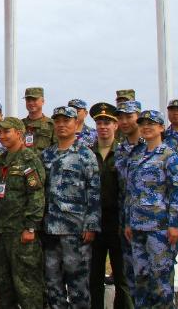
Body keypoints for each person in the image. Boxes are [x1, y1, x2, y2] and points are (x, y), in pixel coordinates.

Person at [123, 110, 178, 308]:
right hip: (137, 226)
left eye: (151, 123)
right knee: (140, 279)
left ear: (161, 128)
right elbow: (130, 192)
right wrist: (128, 222)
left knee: (160, 281)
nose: (146, 127)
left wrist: (174, 224)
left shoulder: (169, 156)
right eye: (143, 124)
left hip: (159, 228)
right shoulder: (136, 156)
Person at [41, 106, 100, 309]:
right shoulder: (46, 155)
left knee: (78, 285)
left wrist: (91, 225)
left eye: (66, 121)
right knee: (52, 284)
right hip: (50, 230)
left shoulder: (86, 155)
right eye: (58, 121)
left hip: (76, 231)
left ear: (76, 123)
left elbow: (94, 192)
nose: (61, 125)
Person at [0, 117, 45, 309]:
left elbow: (36, 194)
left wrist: (31, 226)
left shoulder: (29, 160)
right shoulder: (0, 161)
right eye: (0, 132)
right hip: (3, 232)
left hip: (22, 234)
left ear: (19, 134)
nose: (2, 136)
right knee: (3, 286)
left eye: (7, 131)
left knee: (27, 286)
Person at [88, 102, 132, 309]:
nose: (103, 126)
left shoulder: (125, 154)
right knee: (93, 277)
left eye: (107, 122)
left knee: (123, 277)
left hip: (119, 223)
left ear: (115, 126)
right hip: (94, 223)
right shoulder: (87, 154)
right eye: (99, 123)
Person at [114, 100, 143, 299]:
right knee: (131, 278)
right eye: (121, 117)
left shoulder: (153, 147)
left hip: (152, 224)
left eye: (129, 117)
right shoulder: (120, 149)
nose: (124, 121)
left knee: (156, 282)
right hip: (126, 222)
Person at [21, 87, 55, 153]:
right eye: (28, 100)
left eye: (34, 99)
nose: (31, 103)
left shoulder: (51, 124)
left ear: (43, 101)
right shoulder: (19, 124)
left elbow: (57, 147)